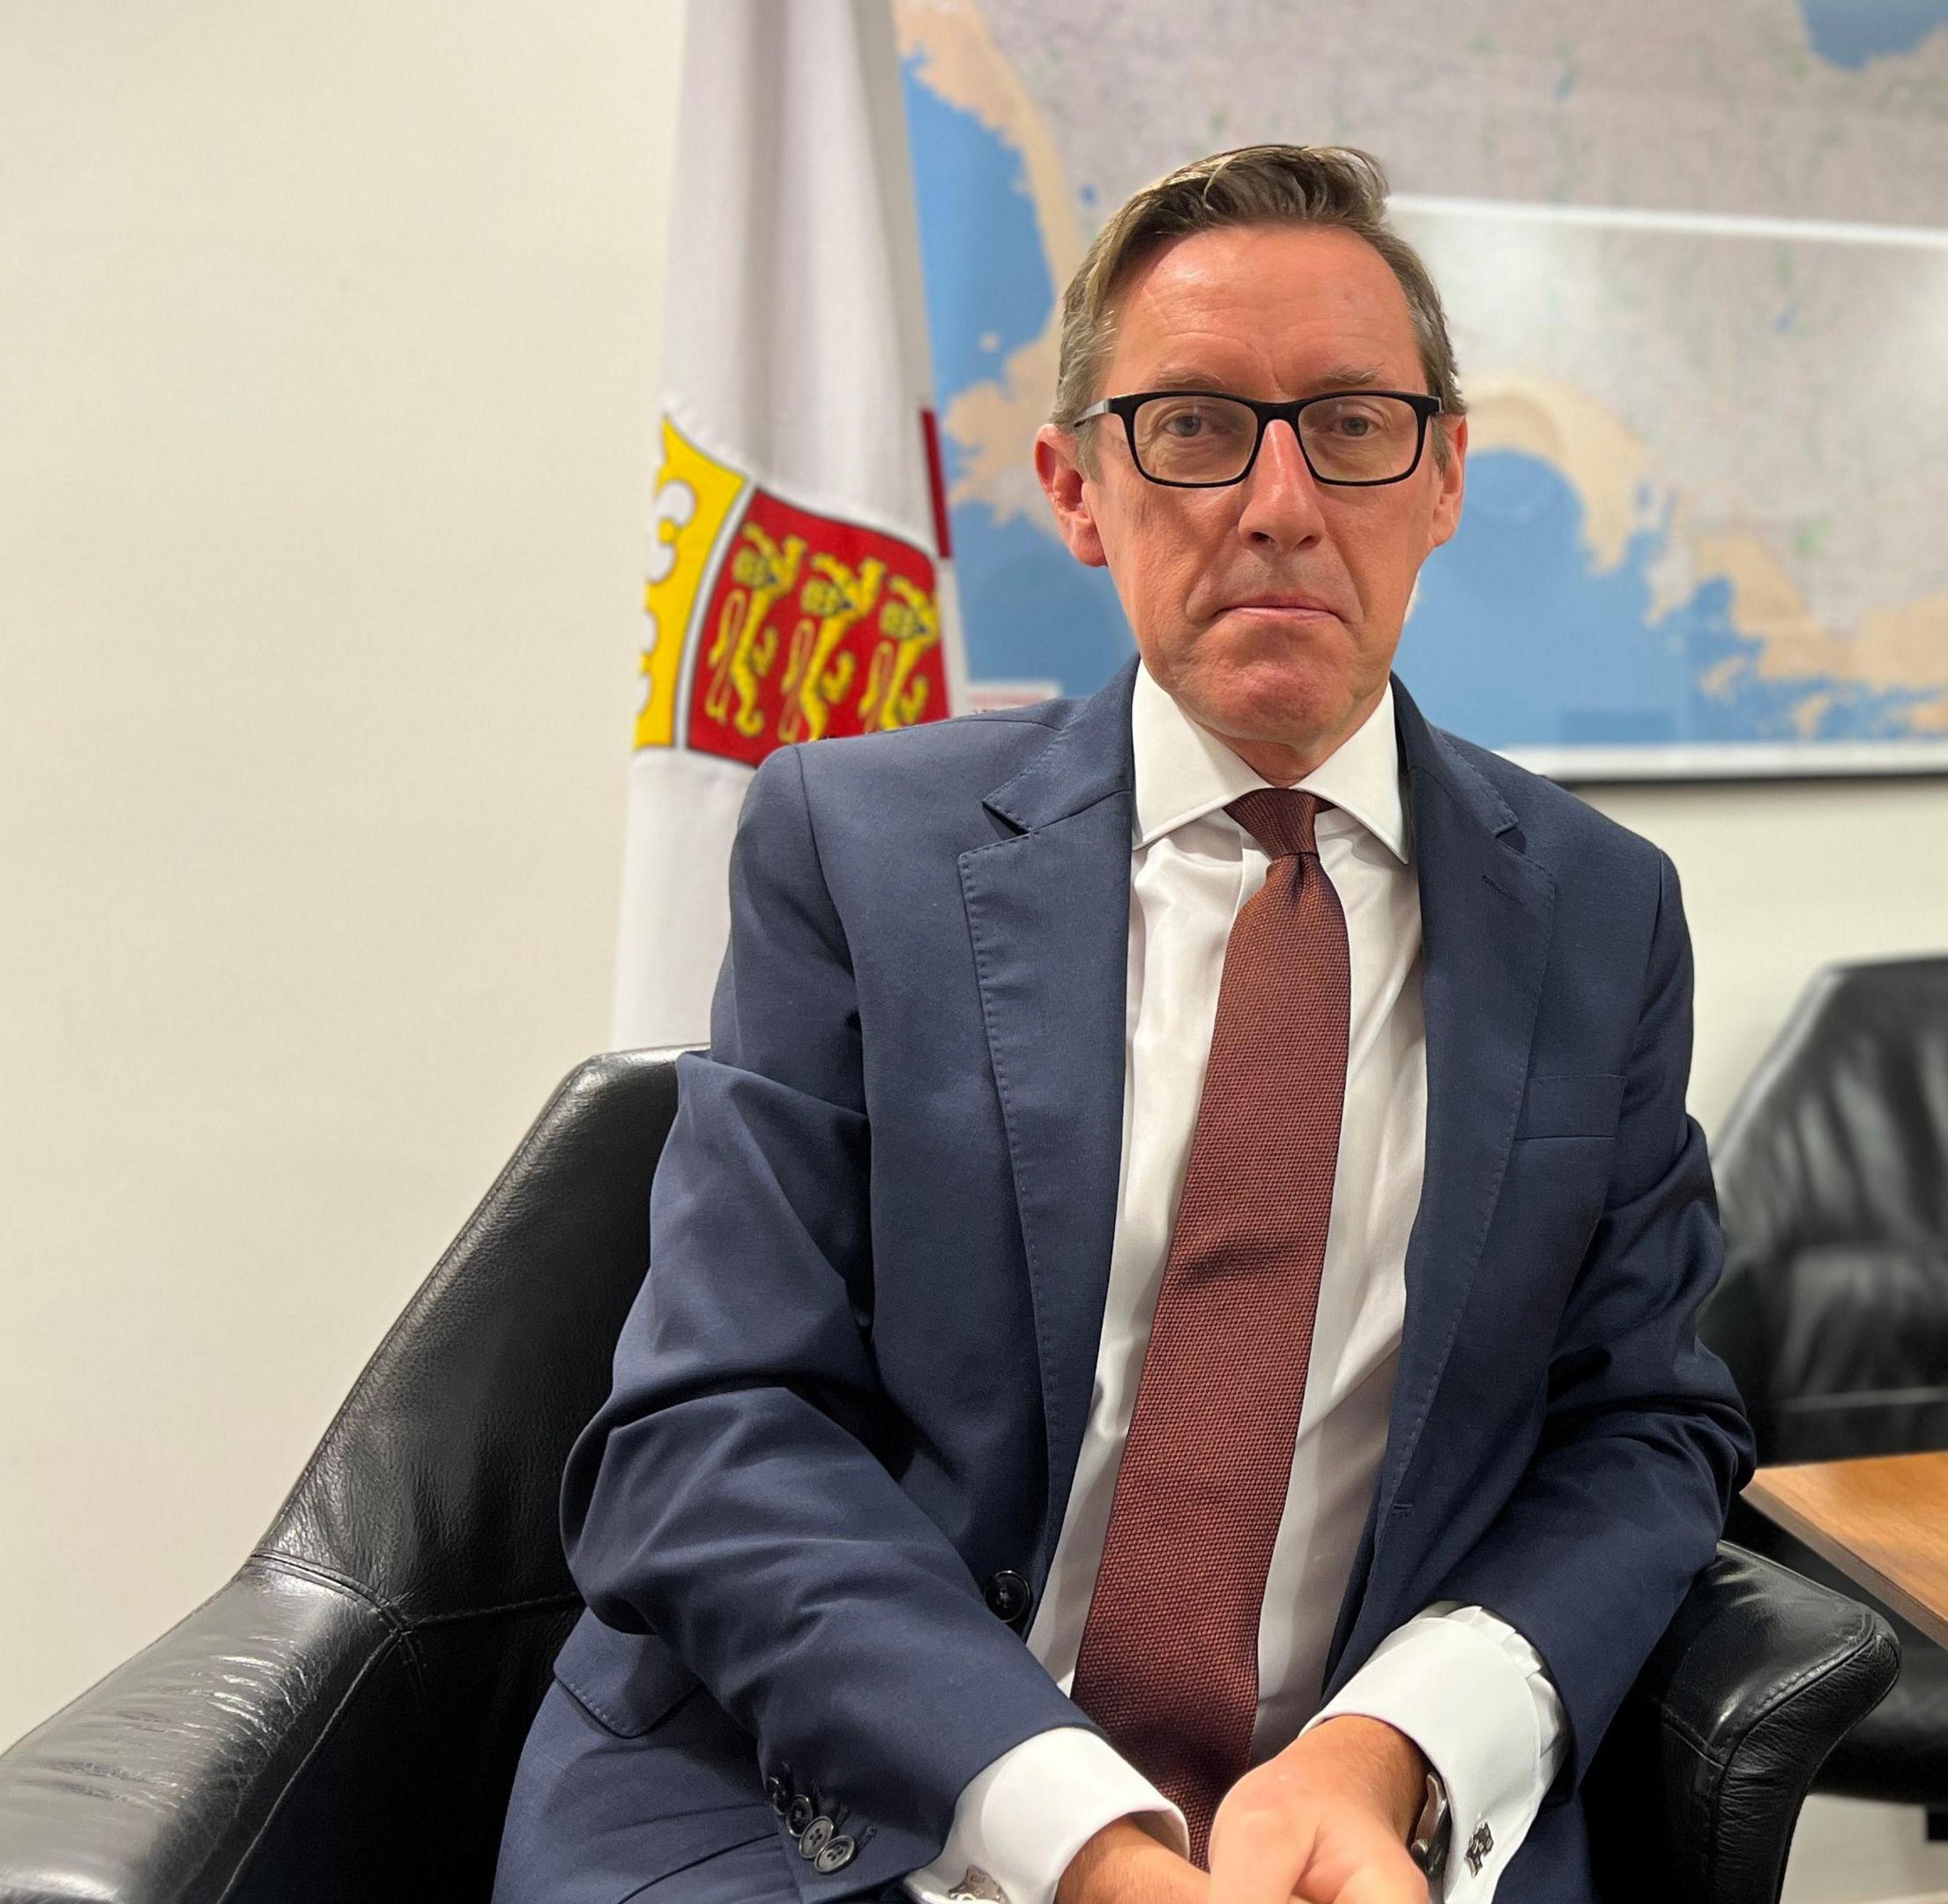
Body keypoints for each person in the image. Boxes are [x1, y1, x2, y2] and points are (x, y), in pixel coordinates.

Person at [495, 144, 1751, 1904]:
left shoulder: (1602, 916)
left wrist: (1393, 1746)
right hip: (850, 1802)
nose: (1280, 502)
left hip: (1334, 1829)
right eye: (1193, 427)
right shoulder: (854, 852)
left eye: (1355, 423)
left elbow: (1646, 1429)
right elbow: (709, 1429)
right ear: (1077, 490)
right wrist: (1067, 1824)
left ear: (1447, 476)